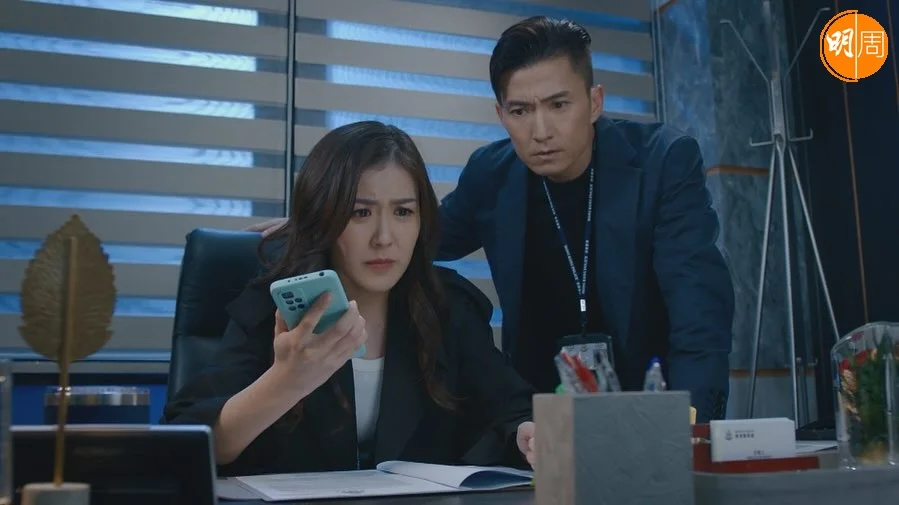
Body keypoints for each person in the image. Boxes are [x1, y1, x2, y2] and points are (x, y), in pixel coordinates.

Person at [247, 16, 735, 422]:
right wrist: (327, 218)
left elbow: (699, 313)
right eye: (520, 111)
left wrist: (690, 428)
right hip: (542, 410)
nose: (540, 130)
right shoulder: (492, 173)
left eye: (559, 105)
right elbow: (420, 238)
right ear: (501, 115)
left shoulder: (662, 161)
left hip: (655, 401)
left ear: (595, 102)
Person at [163, 121, 537, 476]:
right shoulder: (274, 306)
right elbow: (185, 444)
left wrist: (527, 434)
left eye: (403, 212)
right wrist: (286, 380)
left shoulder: (449, 306)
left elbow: (510, 412)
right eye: (360, 212)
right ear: (323, 217)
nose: (384, 238)